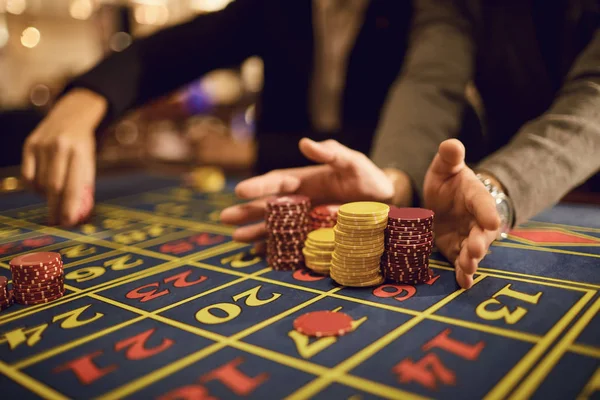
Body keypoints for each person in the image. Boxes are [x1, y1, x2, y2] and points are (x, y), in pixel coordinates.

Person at [221, 0, 600, 289]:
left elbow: (594, 95)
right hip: (503, 164)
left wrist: (498, 186)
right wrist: (395, 181)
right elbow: (430, 79)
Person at [22, 0, 447, 226]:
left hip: (383, 189)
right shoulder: (275, 6)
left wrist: (251, 153)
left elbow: (415, 119)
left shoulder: (422, 11)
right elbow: (170, 51)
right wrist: (86, 99)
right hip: (275, 195)